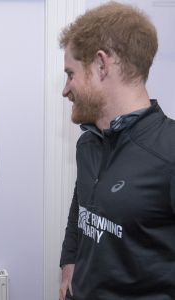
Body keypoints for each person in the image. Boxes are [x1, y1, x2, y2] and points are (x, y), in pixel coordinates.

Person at [58, 2, 175, 300]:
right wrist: (69, 261)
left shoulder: (169, 153)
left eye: (70, 74)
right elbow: (81, 205)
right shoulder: (88, 142)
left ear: (101, 65)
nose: (65, 89)